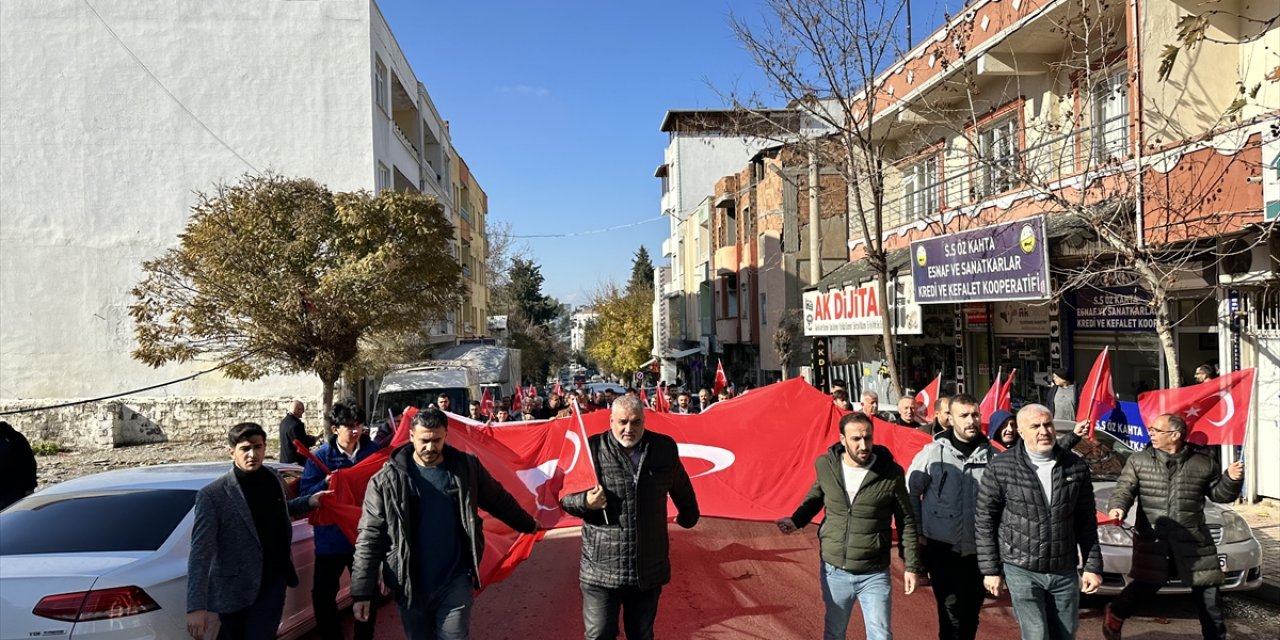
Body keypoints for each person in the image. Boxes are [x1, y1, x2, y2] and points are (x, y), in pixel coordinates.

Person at [351, 407, 538, 639]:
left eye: (437, 440)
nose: (430, 447)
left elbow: (498, 500)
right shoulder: (385, 481)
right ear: (411, 436)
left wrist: (530, 525)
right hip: (410, 586)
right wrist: (361, 592)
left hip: (455, 581)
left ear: (446, 436)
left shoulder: (466, 468)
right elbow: (369, 538)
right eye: (424, 441)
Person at [560, 395, 700, 640]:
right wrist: (585, 502)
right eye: (622, 422)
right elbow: (564, 496)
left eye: (636, 422)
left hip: (647, 569)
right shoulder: (591, 449)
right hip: (600, 570)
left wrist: (689, 516)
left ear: (644, 421)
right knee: (599, 635)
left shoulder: (663, 449)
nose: (629, 429)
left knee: (641, 636)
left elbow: (681, 487)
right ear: (611, 420)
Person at [777, 413, 922, 640]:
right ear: (842, 439)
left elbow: (906, 520)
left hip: (874, 571)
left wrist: (912, 565)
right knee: (835, 633)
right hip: (835, 570)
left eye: (868, 438)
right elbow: (816, 496)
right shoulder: (826, 465)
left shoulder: (891, 473)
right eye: (856, 439)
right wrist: (796, 521)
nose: (863, 445)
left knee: (881, 635)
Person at [1102, 413, 1244, 640]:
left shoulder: (1203, 462)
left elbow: (1219, 495)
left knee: (1209, 599)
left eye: (1156, 430)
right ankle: (1116, 613)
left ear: (1175, 435)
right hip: (1154, 540)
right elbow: (1124, 488)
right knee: (1146, 586)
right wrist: (1118, 507)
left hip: (1194, 542)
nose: (1151, 434)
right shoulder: (1139, 460)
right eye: (1151, 429)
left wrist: (1231, 479)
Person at [187, 422, 326, 640]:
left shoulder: (272, 478)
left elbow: (280, 511)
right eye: (245, 449)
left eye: (258, 447)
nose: (252, 454)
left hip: (272, 582)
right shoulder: (212, 495)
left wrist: (310, 501)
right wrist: (196, 606)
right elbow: (200, 552)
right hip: (234, 590)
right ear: (231, 452)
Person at [975, 405, 1103, 640]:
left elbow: (1086, 520)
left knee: (1065, 634)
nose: (1044, 431)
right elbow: (985, 520)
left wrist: (1092, 566)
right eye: (1035, 426)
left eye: (1048, 424)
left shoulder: (1076, 466)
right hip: (1021, 569)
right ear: (1021, 432)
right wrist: (991, 570)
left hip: (1063, 569)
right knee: (1036, 635)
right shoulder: (1001, 467)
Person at [907, 393, 995, 640]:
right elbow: (911, 493)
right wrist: (918, 534)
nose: (971, 421)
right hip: (942, 548)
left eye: (975, 415)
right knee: (951, 611)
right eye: (964, 415)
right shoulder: (932, 453)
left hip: (979, 551)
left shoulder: (993, 457)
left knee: (971, 612)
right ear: (951, 419)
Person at [299, 404, 385, 640]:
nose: (356, 431)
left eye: (359, 425)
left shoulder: (373, 453)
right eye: (350, 426)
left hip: (364, 538)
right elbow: (306, 495)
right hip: (331, 539)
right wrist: (326, 483)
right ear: (335, 429)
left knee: (367, 594)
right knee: (323, 595)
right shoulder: (320, 458)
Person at [0, 420, 37, 510]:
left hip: (12, 493)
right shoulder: (14, 437)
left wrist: (29, 488)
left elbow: (28, 463)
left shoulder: (13, 438)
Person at [278, 400, 314, 465]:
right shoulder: (295, 425)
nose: (303, 413)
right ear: (297, 410)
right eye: (302, 410)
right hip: (294, 462)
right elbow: (301, 443)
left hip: (285, 460)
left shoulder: (284, 422)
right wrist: (313, 439)